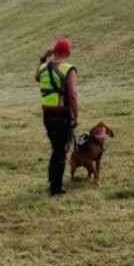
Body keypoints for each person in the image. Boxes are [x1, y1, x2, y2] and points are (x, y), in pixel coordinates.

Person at [35, 39, 79, 196]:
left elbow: (36, 78)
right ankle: (56, 188)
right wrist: (76, 116)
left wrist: (44, 57)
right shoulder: (68, 69)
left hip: (47, 115)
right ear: (68, 52)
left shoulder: (43, 68)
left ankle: (53, 182)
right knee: (60, 151)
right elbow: (72, 93)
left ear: (54, 52)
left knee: (56, 149)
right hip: (62, 114)